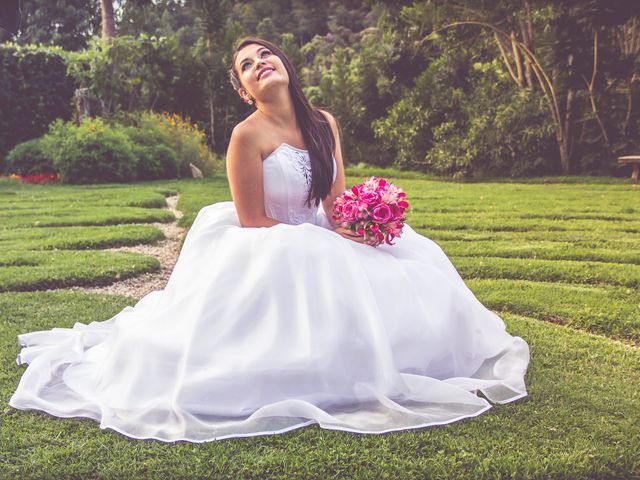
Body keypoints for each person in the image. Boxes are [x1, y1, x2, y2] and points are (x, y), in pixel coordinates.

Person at [8, 37, 530, 442]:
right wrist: (320, 243)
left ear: (284, 66)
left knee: (410, 263)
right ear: (244, 90)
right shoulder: (245, 136)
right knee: (305, 278)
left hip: (317, 230)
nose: (260, 63)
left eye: (266, 55)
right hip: (268, 239)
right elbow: (254, 220)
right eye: (248, 66)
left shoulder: (324, 122)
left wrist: (362, 224)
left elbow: (333, 204)